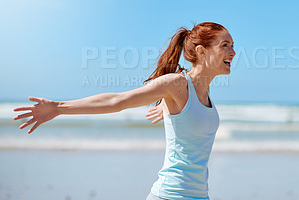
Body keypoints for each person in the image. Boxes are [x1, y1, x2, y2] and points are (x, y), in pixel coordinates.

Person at [13, 22, 236, 200]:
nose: (233, 52)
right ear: (201, 51)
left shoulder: (203, 94)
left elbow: (187, 118)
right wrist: (58, 108)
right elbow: (117, 101)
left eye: (233, 45)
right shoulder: (176, 85)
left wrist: (167, 108)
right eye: (225, 45)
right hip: (171, 195)